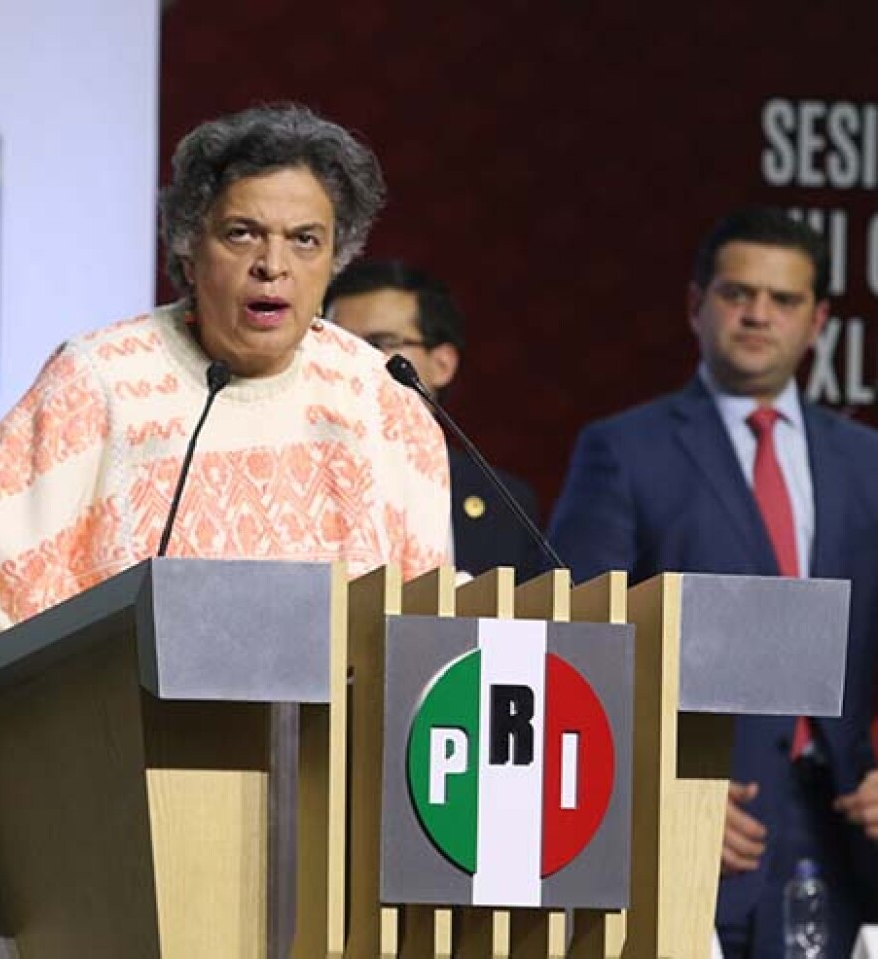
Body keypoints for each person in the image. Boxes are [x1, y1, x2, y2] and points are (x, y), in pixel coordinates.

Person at [0, 104, 451, 958]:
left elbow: (430, 630)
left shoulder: (382, 402)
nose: (273, 267)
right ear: (188, 246)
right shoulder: (103, 380)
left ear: (337, 258)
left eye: (306, 241)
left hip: (337, 839)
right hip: (118, 828)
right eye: (242, 234)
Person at [547, 207, 878, 957]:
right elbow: (570, 647)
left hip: (843, 835)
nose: (759, 313)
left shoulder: (867, 462)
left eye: (784, 299)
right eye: (737, 293)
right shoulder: (623, 451)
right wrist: (649, 789)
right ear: (696, 304)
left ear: (819, 318)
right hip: (692, 824)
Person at [324, 257, 545, 582]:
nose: (352, 361)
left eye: (378, 344)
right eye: (336, 343)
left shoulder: (505, 502)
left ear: (442, 364)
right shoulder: (294, 480)